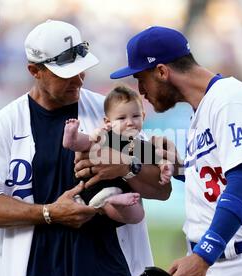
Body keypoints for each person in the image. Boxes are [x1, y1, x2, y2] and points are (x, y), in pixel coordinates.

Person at [0, 20, 171, 276]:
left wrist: (127, 167)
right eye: (66, 74)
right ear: (34, 70)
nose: (78, 80)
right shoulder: (3, 126)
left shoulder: (108, 113)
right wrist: (49, 213)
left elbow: (161, 187)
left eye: (81, 70)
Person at [110, 26, 242, 276]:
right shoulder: (205, 108)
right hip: (218, 264)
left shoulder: (230, 100)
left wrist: (203, 256)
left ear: (161, 71)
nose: (141, 90)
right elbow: (217, 180)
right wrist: (180, 167)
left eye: (141, 78)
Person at [62, 85, 174, 224]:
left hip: (114, 192)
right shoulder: (110, 136)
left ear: (143, 116)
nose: (130, 123)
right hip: (88, 187)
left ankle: (117, 203)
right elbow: (90, 141)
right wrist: (91, 135)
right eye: (122, 118)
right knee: (90, 142)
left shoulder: (139, 144)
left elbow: (157, 158)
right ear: (108, 121)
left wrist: (165, 168)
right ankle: (72, 139)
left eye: (136, 116)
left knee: (138, 215)